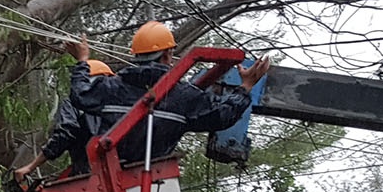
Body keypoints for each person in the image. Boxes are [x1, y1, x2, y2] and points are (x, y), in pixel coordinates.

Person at [67, 21, 270, 165]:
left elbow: (80, 93)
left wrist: (83, 61)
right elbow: (221, 116)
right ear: (168, 54)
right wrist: (245, 87)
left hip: (106, 175)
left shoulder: (111, 88)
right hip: (153, 181)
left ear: (136, 55)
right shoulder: (184, 97)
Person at [13, 60, 118, 184]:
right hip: (126, 170)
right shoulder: (126, 103)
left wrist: (31, 166)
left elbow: (64, 135)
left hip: (88, 177)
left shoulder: (74, 103)